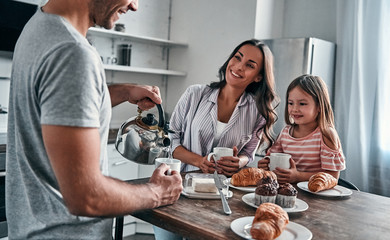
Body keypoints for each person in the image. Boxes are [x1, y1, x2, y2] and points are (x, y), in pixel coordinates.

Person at [6, 0, 183, 239]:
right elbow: (86, 195)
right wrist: (156, 193)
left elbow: (57, 105)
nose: (135, 6)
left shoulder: (38, 26)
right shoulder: (72, 53)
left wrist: (123, 92)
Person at [153, 39, 279, 240]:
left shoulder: (258, 113)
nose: (238, 66)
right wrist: (198, 161)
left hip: (221, 197)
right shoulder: (195, 94)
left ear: (258, 77)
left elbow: (248, 154)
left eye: (250, 65)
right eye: (237, 57)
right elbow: (170, 139)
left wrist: (240, 162)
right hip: (177, 189)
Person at [258, 74, 346, 183]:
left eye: (302, 104)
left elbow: (333, 176)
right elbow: (272, 159)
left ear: (319, 106)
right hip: (287, 191)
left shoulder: (326, 134)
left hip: (315, 196)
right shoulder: (285, 133)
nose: (295, 109)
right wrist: (266, 164)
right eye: (291, 103)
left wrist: (298, 176)